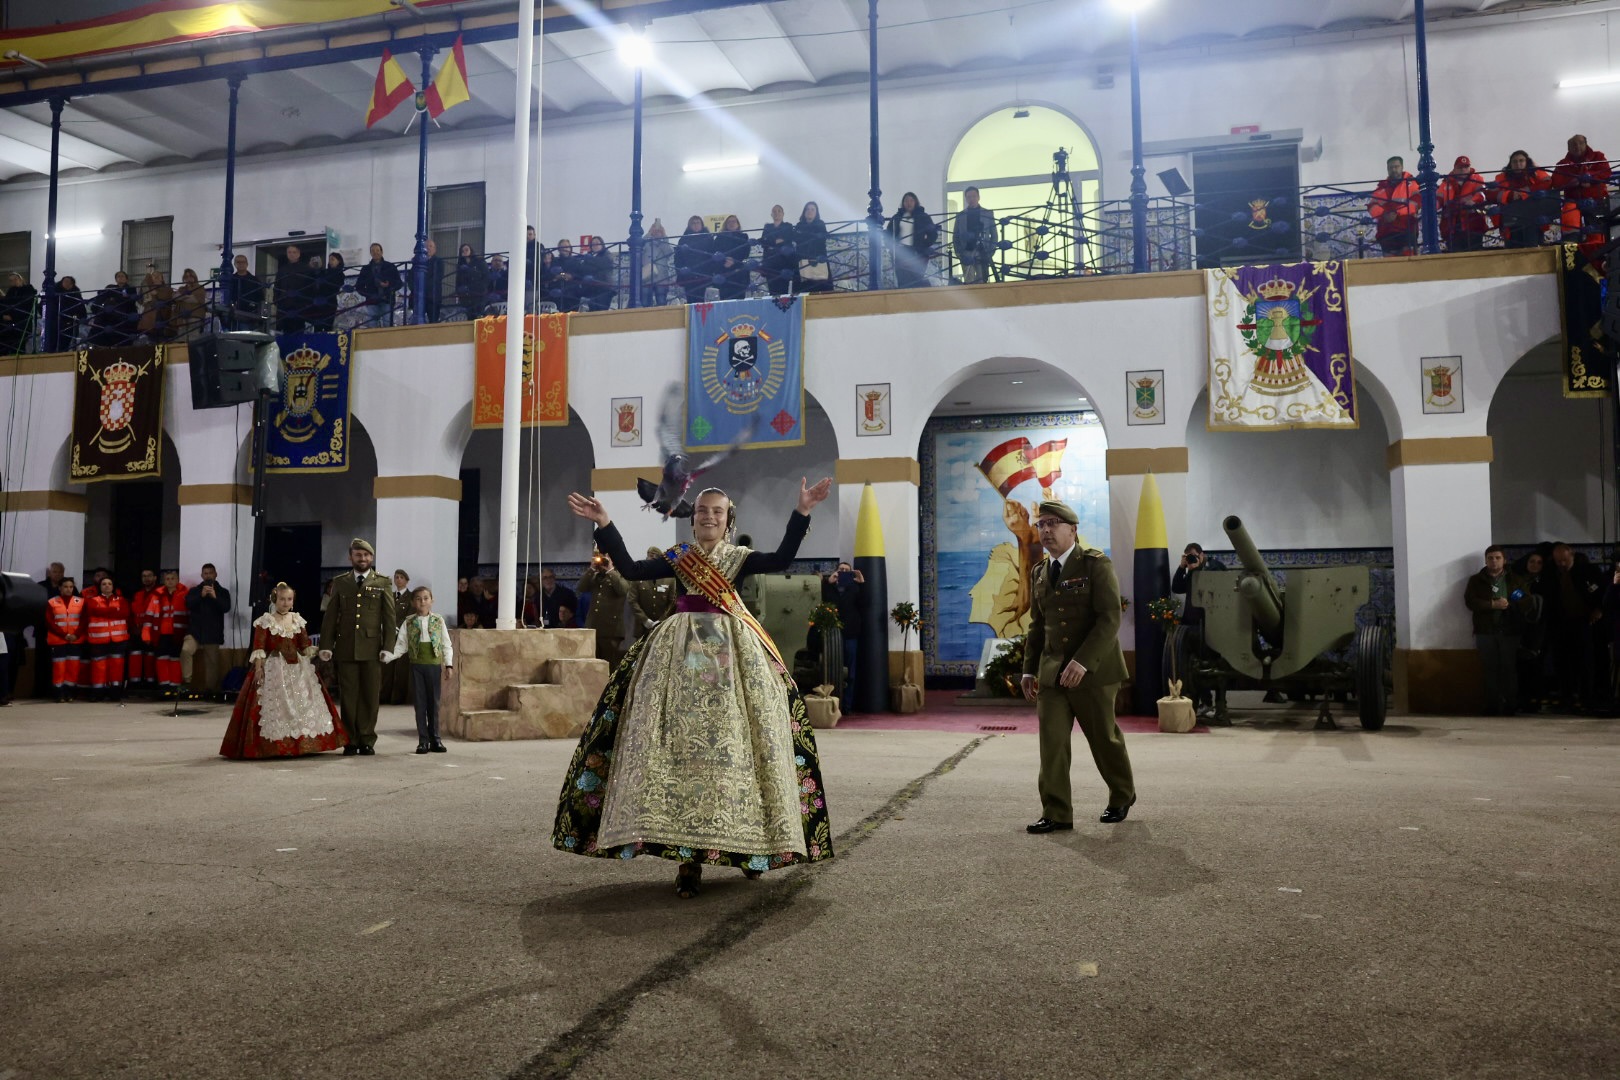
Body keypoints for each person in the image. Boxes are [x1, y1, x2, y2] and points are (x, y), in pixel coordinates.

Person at [555, 476, 836, 899]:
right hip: (679, 655)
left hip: (732, 658)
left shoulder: (740, 558)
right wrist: (605, 522)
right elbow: (631, 570)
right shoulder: (679, 557)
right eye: (702, 511)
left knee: (742, 750)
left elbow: (780, 559)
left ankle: (753, 851)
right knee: (683, 754)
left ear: (728, 520)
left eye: (717, 511)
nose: (708, 516)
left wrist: (803, 512)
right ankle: (689, 861)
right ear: (693, 520)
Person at [1020, 499, 1135, 830]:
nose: (1046, 530)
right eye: (1041, 524)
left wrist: (1083, 662)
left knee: (1104, 739)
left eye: (1053, 523)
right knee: (1052, 744)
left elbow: (1109, 617)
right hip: (1053, 673)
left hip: (1094, 672)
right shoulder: (1040, 571)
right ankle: (1056, 812)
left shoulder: (1095, 564)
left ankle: (1122, 794)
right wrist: (1029, 670)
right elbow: (1038, 625)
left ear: (1073, 529)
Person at [220, 583, 349, 759]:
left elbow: (304, 646)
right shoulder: (265, 621)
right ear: (275, 599)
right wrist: (258, 668)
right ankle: (274, 746)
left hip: (298, 668)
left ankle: (303, 744)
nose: (286, 603)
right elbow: (259, 647)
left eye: (289, 599)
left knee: (306, 702)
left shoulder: (297, 620)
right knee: (274, 707)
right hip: (274, 667)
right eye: (282, 599)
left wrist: (321, 650)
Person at [318, 539, 396, 754]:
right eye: (358, 555)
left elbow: (389, 618)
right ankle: (350, 740)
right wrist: (326, 645)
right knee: (349, 696)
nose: (362, 559)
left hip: (372, 649)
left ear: (372, 558)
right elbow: (331, 616)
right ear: (350, 557)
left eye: (366, 555)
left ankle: (367, 739)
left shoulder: (382, 582)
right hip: (346, 647)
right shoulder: (340, 582)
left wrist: (388, 646)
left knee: (370, 695)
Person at [1463, 545, 1536, 716]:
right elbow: (1470, 601)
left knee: (1508, 668)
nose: (1494, 561)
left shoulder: (1515, 580)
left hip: (1509, 631)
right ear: (1486, 560)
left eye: (1497, 558)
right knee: (1489, 668)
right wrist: (1491, 605)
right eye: (1490, 558)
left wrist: (1510, 604)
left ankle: (1511, 704)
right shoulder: (1477, 580)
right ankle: (1492, 705)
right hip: (1485, 631)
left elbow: (1527, 601)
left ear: (1504, 560)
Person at [382, 586, 454, 754]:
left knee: (433, 704)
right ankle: (423, 741)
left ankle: (436, 739)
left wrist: (448, 665)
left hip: (434, 666)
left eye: (426, 598)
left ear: (432, 600)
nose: (423, 601)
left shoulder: (438, 620)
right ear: (413, 602)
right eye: (419, 599)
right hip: (416, 668)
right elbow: (401, 646)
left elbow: (446, 644)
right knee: (420, 705)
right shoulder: (408, 621)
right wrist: (388, 657)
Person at [1544, 543, 1602, 712]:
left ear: (1572, 556)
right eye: (1558, 561)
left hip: (1584, 622)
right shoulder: (1551, 574)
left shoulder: (1588, 571)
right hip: (1560, 624)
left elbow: (1602, 593)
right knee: (1562, 662)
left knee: (1585, 661)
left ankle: (1587, 697)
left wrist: (1598, 609)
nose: (1561, 564)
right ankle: (1566, 697)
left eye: (1564, 560)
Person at [1552, 134, 1612, 256]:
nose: (1577, 146)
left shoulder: (1598, 156)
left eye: (1580, 143)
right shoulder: (1562, 164)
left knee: (1596, 226)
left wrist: (1590, 177)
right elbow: (1556, 181)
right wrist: (1573, 181)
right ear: (1568, 148)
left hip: (1596, 200)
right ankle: (1570, 246)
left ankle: (1597, 250)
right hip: (1573, 201)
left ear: (1586, 144)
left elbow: (1606, 172)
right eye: (1573, 144)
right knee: (1569, 211)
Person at [822, 561, 867, 714]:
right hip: (832, 634)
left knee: (851, 672)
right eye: (840, 569)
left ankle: (846, 706)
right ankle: (832, 703)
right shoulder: (829, 587)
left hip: (850, 633)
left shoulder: (854, 588)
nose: (843, 572)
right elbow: (824, 602)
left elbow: (865, 604)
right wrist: (827, 583)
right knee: (831, 668)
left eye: (846, 570)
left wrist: (862, 584)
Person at [183, 563, 231, 696]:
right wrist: (201, 595)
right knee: (186, 650)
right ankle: (187, 682)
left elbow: (226, 607)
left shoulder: (223, 592)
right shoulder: (195, 591)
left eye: (211, 573)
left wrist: (215, 597)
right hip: (195, 631)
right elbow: (188, 604)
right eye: (206, 573)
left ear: (215, 574)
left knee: (212, 662)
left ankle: (210, 690)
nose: (208, 575)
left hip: (213, 632)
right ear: (201, 575)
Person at [1494, 150, 1555, 249]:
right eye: (1514, 161)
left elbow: (1548, 183)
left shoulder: (1535, 173)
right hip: (1511, 222)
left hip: (1533, 220)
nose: (1518, 164)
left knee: (1533, 250)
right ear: (1510, 164)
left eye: (1521, 161)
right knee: (1512, 253)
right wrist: (1509, 195)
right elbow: (1490, 194)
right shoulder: (1502, 177)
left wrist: (1528, 191)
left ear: (1527, 162)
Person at [83, 577, 131, 702]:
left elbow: (125, 613)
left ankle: (115, 692)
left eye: (110, 583)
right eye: (104, 584)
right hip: (98, 640)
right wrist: (113, 611)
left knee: (117, 666)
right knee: (99, 667)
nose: (107, 586)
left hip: (118, 639)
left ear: (113, 586)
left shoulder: (122, 600)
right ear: (100, 587)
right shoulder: (92, 600)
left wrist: (103, 612)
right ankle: (98, 692)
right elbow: (92, 611)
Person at [576, 548, 627, 664]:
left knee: (609, 664)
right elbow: (581, 588)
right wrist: (592, 569)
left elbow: (623, 590)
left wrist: (610, 570)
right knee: (594, 665)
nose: (603, 560)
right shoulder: (596, 575)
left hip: (611, 630)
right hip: (593, 627)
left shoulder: (620, 574)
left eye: (606, 557)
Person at [1368, 156, 1420, 257]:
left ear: (1402, 167)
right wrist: (1384, 214)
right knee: (1390, 265)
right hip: (1386, 231)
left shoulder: (1412, 184)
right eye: (1391, 168)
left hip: (1407, 230)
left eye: (1396, 166)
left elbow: (1417, 202)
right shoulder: (1381, 188)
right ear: (1387, 169)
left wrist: (1397, 213)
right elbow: (1371, 206)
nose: (1394, 170)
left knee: (1409, 262)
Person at [1437, 156, 1490, 253]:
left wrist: (1472, 201)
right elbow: (1438, 199)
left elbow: (1482, 194)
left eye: (1466, 167)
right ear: (1454, 169)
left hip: (1473, 225)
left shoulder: (1478, 179)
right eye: (1460, 167)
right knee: (1455, 258)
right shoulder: (1445, 183)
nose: (1463, 170)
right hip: (1452, 227)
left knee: (1476, 257)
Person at [886, 191, 938, 289]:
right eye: (906, 201)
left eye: (911, 200)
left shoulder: (923, 216)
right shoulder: (897, 217)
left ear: (915, 202)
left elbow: (933, 234)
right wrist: (891, 249)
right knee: (903, 280)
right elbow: (888, 234)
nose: (908, 203)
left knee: (916, 278)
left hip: (917, 253)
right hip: (901, 252)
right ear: (903, 203)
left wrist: (924, 245)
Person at [46, 577, 84, 703]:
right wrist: (64, 635)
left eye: (71, 587)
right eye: (66, 587)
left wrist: (76, 635)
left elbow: (84, 621)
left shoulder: (81, 602)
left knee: (73, 668)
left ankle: (70, 693)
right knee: (59, 668)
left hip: (75, 640)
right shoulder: (52, 602)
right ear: (60, 588)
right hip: (58, 640)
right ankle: (58, 693)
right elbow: (50, 622)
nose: (68, 589)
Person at [151, 569, 189, 696]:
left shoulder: (185, 593)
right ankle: (164, 685)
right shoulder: (157, 594)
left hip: (178, 631)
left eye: (173, 578)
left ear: (177, 580)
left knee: (175, 659)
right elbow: (150, 614)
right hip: (162, 632)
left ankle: (175, 686)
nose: (170, 581)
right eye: (167, 579)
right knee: (161, 658)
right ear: (164, 581)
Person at [627, 545, 676, 639]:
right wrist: (645, 620)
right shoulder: (638, 577)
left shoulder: (669, 579)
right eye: (649, 557)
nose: (650, 561)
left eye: (654, 558)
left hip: (663, 627)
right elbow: (632, 600)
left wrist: (662, 620)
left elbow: (673, 602)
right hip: (642, 627)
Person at [382, 569, 414, 705]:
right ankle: (384, 696)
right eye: (396, 577)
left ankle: (398, 697)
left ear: (406, 580)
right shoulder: (390, 595)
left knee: (401, 668)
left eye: (401, 577)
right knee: (387, 667)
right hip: (388, 635)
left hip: (402, 636)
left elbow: (410, 615)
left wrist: (397, 627)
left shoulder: (411, 597)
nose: (398, 580)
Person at [954, 186, 997, 284]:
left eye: (974, 196)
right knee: (969, 281)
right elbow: (956, 235)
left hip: (983, 251)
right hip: (966, 251)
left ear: (978, 197)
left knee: (982, 281)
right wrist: (959, 253)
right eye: (969, 197)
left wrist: (990, 252)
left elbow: (994, 235)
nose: (971, 199)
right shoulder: (960, 215)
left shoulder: (988, 213)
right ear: (966, 199)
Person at [127, 568, 160, 694]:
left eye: (149, 575)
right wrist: (133, 628)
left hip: (152, 631)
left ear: (155, 577)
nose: (146, 578)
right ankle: (134, 685)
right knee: (135, 656)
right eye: (144, 576)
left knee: (150, 657)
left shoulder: (158, 593)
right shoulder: (138, 594)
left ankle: (150, 685)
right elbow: (132, 613)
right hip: (136, 631)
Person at [355, 243, 401, 327]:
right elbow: (359, 286)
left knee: (388, 325)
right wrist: (369, 294)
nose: (375, 252)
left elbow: (399, 283)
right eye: (373, 251)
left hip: (387, 300)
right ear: (370, 253)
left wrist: (388, 285)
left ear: (382, 252)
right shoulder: (365, 269)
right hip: (372, 302)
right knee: (372, 326)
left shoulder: (390, 266)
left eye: (377, 250)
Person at [275, 244, 315, 335]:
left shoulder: (306, 269)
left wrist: (307, 303)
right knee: (286, 333)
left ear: (298, 254)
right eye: (289, 252)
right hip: (285, 307)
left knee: (299, 333)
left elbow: (311, 287)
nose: (292, 254)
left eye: (294, 252)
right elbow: (277, 286)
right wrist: (276, 300)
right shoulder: (282, 270)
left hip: (300, 307)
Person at [675, 216, 714, 304]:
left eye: (698, 223)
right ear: (689, 225)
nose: (696, 225)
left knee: (701, 299)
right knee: (690, 299)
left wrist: (710, 271)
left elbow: (712, 256)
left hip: (703, 273)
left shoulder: (708, 238)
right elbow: (678, 257)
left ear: (702, 225)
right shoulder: (684, 239)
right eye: (693, 223)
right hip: (688, 274)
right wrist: (681, 271)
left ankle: (701, 317)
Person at [794, 201, 832, 293]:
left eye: (812, 209)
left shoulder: (821, 224)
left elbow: (821, 240)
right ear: (804, 212)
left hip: (819, 260)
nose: (809, 211)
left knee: (822, 288)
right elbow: (797, 239)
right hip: (803, 261)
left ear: (816, 212)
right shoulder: (799, 226)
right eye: (807, 209)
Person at [759, 205, 797, 296]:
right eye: (774, 211)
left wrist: (772, 243)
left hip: (784, 262)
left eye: (779, 211)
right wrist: (778, 241)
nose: (777, 213)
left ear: (783, 214)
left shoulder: (788, 226)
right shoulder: (767, 227)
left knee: (784, 291)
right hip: (770, 263)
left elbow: (789, 240)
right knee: (772, 291)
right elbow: (764, 242)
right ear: (771, 214)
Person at [713, 215, 753, 300]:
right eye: (729, 222)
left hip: (739, 274)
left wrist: (734, 260)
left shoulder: (744, 236)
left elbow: (745, 252)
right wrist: (724, 261)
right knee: (725, 301)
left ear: (738, 224)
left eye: (734, 221)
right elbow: (715, 253)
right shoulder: (720, 238)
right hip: (724, 272)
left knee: (740, 300)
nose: (731, 223)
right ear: (726, 224)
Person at [223, 254, 265, 330]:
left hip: (251, 313)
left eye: (243, 262)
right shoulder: (231, 280)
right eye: (238, 262)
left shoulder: (254, 280)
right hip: (235, 312)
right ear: (235, 264)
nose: (241, 264)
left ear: (247, 264)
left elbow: (260, 297)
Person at [576, 235, 617, 312]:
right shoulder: (590, 256)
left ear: (602, 245)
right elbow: (583, 269)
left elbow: (603, 263)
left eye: (597, 243)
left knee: (601, 311)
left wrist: (590, 261)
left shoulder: (607, 254)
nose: (595, 246)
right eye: (593, 244)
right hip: (592, 289)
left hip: (604, 288)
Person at [1, 272, 39, 354]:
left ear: (20, 279)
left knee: (20, 345)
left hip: (22, 322)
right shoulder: (11, 292)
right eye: (11, 280)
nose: (14, 281)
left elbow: (26, 305)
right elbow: (5, 305)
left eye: (15, 279)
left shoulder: (28, 289)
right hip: (9, 324)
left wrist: (12, 316)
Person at [642, 219, 677, 306]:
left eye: (659, 230)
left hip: (661, 277)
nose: (657, 232)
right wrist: (649, 233)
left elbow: (669, 253)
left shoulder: (664, 243)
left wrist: (664, 236)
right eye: (655, 230)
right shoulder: (646, 242)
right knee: (645, 302)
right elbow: (639, 248)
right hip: (647, 277)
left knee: (661, 301)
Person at [311, 252, 345, 332]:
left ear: (339, 261)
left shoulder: (340, 274)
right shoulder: (324, 272)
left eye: (333, 259)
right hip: (319, 302)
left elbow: (335, 285)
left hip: (330, 302)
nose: (330, 261)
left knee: (328, 326)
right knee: (317, 327)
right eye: (329, 260)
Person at [171, 268, 208, 340]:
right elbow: (175, 297)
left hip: (195, 316)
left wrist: (183, 297)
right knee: (181, 340)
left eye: (190, 276)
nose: (188, 279)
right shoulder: (181, 288)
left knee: (193, 339)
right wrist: (187, 296)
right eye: (186, 277)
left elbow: (196, 299)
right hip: (181, 318)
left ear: (194, 277)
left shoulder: (199, 287)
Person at [454, 243, 490, 318]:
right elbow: (458, 281)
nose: (465, 252)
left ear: (471, 250)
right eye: (462, 251)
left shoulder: (480, 261)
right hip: (466, 298)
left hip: (478, 295)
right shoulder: (460, 265)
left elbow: (485, 276)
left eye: (466, 249)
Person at [56, 275, 86, 347]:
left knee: (68, 341)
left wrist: (81, 317)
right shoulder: (56, 292)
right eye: (64, 281)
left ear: (72, 284)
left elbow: (80, 307)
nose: (66, 283)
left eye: (68, 282)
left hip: (71, 320)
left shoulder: (76, 294)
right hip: (57, 320)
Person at [420, 238, 445, 322]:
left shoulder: (439, 262)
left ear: (435, 249)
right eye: (426, 246)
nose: (428, 248)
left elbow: (438, 277)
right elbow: (411, 277)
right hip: (419, 297)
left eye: (431, 246)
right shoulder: (419, 261)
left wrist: (423, 285)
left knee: (433, 322)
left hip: (433, 297)